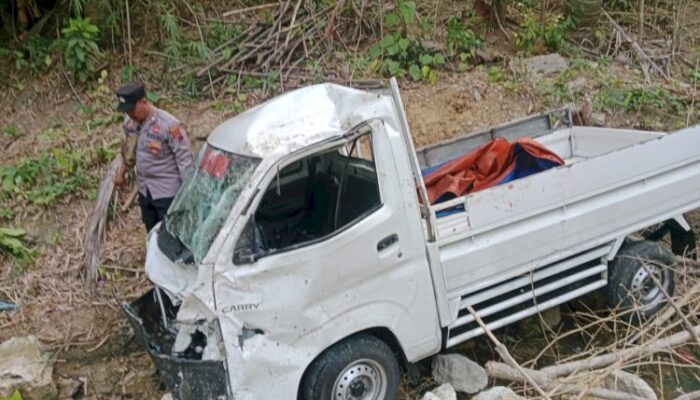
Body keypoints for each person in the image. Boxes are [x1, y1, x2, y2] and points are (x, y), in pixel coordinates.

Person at [114, 82, 194, 232]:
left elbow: (184, 158)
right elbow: (128, 150)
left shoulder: (168, 125)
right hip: (145, 190)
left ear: (143, 102)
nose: (130, 114)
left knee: (172, 234)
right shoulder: (130, 123)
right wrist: (121, 173)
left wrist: (186, 194)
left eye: (132, 109)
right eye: (127, 111)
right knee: (151, 232)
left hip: (167, 192)